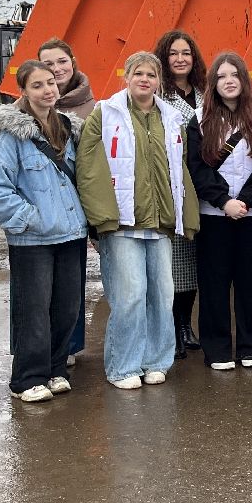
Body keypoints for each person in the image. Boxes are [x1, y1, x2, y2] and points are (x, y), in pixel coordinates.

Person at [77, 51, 200, 390]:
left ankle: (156, 360)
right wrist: (100, 218)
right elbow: (88, 169)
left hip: (159, 223)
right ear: (126, 77)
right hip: (122, 224)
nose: (145, 79)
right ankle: (124, 365)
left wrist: (184, 216)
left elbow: (181, 169)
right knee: (129, 296)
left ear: (159, 81)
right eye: (138, 73)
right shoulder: (105, 114)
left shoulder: (171, 118)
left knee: (162, 295)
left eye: (151, 74)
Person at [0, 60, 89, 403]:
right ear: (24, 92)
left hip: (71, 234)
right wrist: (30, 218)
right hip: (34, 239)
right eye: (38, 85)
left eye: (52, 83)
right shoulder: (11, 136)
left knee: (67, 308)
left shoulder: (68, 129)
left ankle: (57, 369)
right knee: (35, 310)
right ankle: (28, 377)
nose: (48, 90)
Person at [186, 52, 252, 371]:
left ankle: (250, 345)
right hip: (214, 216)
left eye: (234, 75)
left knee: (251, 281)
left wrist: (247, 201)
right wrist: (224, 201)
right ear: (213, 83)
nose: (229, 81)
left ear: (244, 80)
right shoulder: (198, 119)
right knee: (214, 283)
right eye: (222, 76)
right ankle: (217, 348)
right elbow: (196, 168)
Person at [38, 36, 95, 367]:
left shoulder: (94, 107)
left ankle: (69, 346)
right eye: (47, 64)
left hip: (78, 208)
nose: (56, 69)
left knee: (72, 283)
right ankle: (37, 347)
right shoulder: (25, 108)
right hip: (41, 213)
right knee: (39, 287)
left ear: (73, 62)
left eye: (61, 61)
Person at [155, 30, 206, 357]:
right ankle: (174, 327)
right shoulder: (157, 93)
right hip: (171, 184)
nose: (180, 59)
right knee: (175, 263)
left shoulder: (205, 92)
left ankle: (187, 324)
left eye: (186, 53)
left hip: (204, 184)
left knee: (194, 261)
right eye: (173, 53)